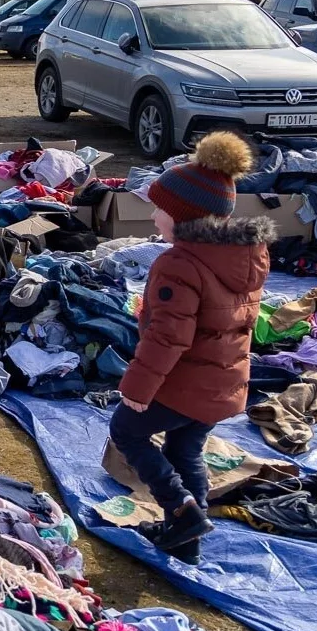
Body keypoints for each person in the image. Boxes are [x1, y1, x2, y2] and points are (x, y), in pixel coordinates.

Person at [109, 132, 267, 565]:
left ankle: (182, 511)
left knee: (126, 429)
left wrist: (137, 389)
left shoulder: (178, 264)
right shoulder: (245, 253)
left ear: (183, 218)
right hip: (223, 384)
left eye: (159, 208)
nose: (154, 214)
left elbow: (168, 336)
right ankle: (187, 540)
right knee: (184, 450)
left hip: (185, 383)